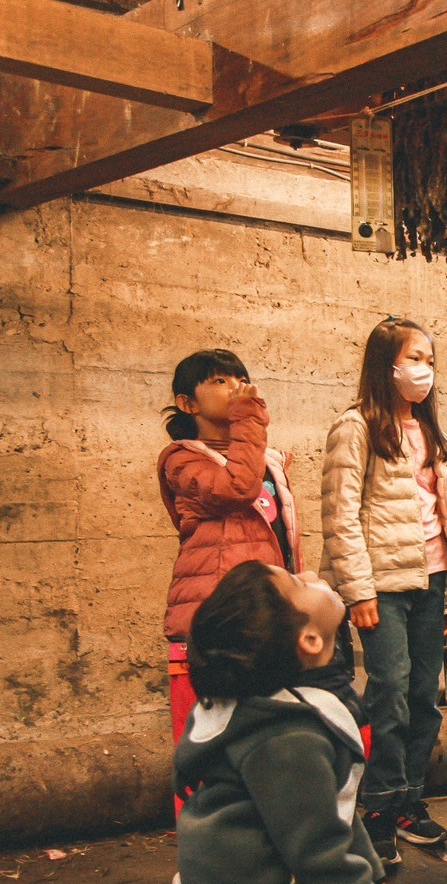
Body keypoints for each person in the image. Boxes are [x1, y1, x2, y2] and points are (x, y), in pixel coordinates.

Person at [177, 561, 433, 884]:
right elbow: (319, 856)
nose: (310, 577)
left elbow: (332, 807)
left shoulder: (287, 704)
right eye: (297, 584)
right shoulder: (288, 735)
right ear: (310, 642)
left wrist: (373, 881)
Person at [320, 317, 447, 866]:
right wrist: (358, 592)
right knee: (390, 695)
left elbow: (444, 517)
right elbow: (340, 514)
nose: (423, 370)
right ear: (386, 365)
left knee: (426, 698)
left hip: (431, 580)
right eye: (414, 358)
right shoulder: (355, 427)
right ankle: (376, 809)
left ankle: (409, 801)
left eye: (429, 359)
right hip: (382, 585)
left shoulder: (430, 430)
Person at [160, 349, 302, 837]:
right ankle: (203, 858)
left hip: (262, 619)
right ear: (187, 403)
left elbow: (283, 539)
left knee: (261, 740)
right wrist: (249, 419)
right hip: (208, 621)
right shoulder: (181, 459)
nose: (236, 387)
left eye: (241, 378)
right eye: (220, 381)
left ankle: (257, 850)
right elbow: (237, 488)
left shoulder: (266, 459)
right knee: (204, 743)